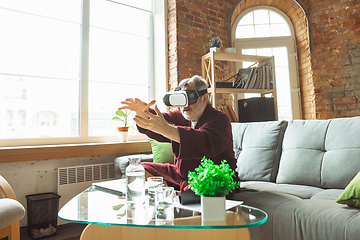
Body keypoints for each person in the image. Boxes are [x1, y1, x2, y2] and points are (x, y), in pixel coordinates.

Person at [119, 75, 239, 192]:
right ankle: (166, 194)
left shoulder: (219, 119)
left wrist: (167, 129)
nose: (184, 105)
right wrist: (142, 111)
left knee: (203, 188)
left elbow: (203, 141)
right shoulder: (181, 117)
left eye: (189, 98)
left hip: (213, 177)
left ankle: (175, 195)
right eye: (181, 99)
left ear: (204, 98)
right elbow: (158, 120)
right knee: (140, 169)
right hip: (182, 176)